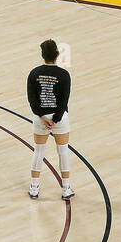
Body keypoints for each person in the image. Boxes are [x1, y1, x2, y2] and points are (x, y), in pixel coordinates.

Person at [27, 39, 74, 201]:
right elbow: (63, 100)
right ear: (57, 54)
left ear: (42, 55)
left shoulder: (34, 73)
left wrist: (42, 116)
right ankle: (66, 188)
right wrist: (56, 119)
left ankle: (34, 187)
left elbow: (32, 100)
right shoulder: (64, 75)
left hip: (40, 118)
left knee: (39, 151)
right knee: (63, 152)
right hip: (59, 118)